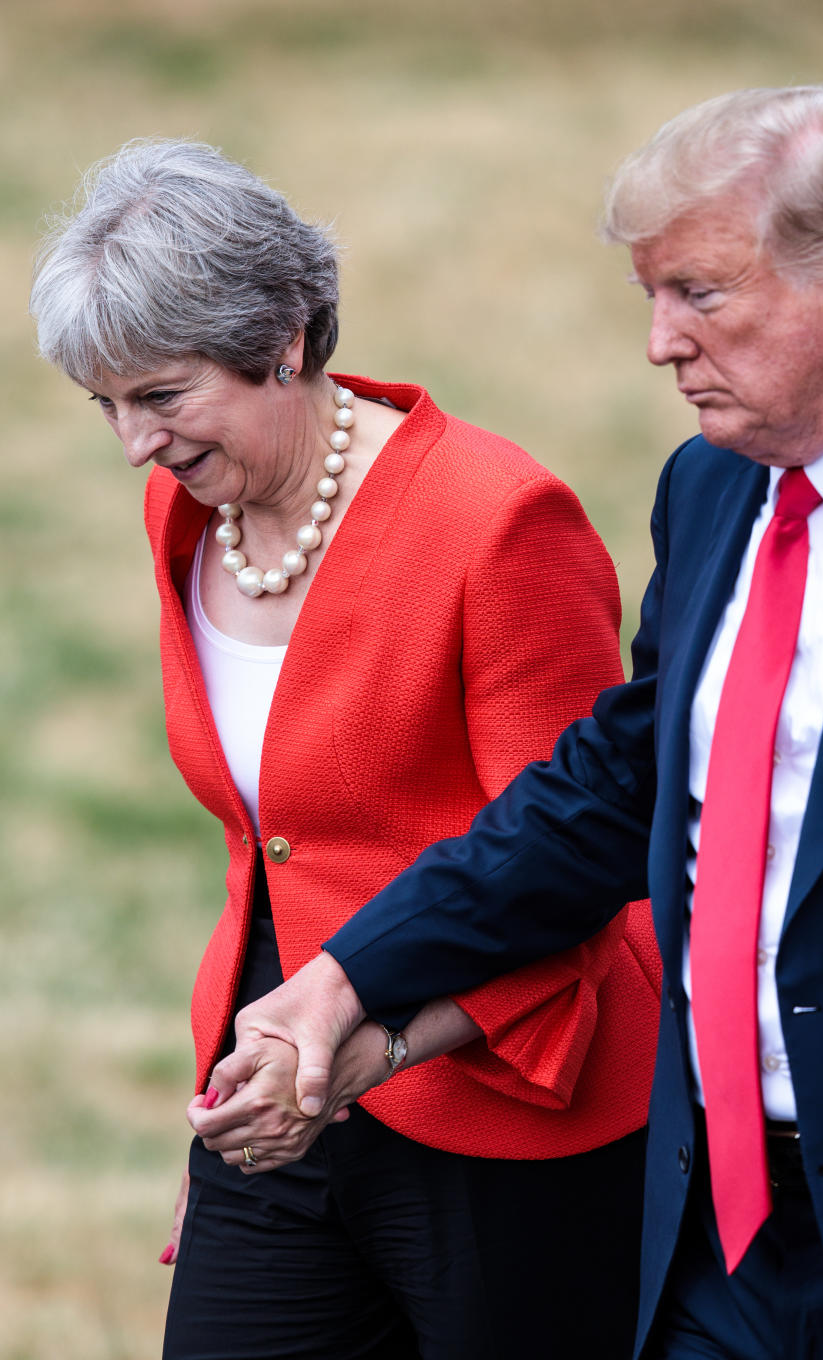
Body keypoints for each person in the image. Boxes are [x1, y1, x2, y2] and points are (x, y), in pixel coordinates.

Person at [217, 87, 823, 1359]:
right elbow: (615, 793)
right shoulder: (716, 486)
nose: (662, 344)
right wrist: (345, 979)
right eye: (649, 301)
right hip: (716, 1232)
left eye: (699, 295)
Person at [30, 139, 662, 1360]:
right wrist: (251, 1071)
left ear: (286, 342)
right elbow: (269, 844)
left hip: (506, 1099)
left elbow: (577, 858)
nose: (132, 446)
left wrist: (372, 1046)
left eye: (161, 397)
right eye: (104, 404)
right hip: (282, 1098)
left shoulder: (496, 523)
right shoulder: (191, 508)